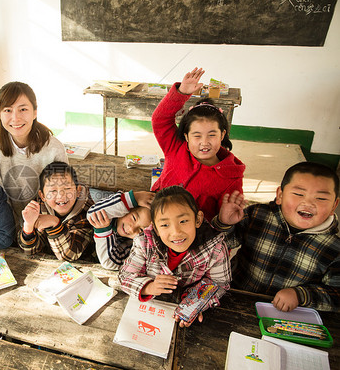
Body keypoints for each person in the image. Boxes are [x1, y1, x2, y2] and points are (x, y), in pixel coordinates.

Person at [215, 162, 340, 312]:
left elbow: (336, 295)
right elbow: (219, 246)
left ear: (334, 205)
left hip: (287, 317)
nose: (308, 203)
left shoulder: (334, 248)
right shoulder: (257, 215)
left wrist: (301, 295)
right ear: (280, 195)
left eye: (321, 198)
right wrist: (224, 224)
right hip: (235, 297)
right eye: (299, 194)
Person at [119, 186, 231, 327]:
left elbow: (220, 282)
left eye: (183, 221)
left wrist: (196, 302)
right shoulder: (144, 242)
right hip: (153, 309)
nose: (176, 232)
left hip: (182, 311)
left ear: (198, 219)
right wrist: (150, 287)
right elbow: (125, 276)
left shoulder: (215, 248)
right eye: (165, 224)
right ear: (156, 228)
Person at [151, 67, 245, 221]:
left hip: (190, 237)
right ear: (186, 136)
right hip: (155, 217)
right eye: (197, 135)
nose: (204, 142)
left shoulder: (231, 176)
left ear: (222, 135)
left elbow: (223, 218)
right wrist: (181, 93)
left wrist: (224, 221)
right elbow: (159, 120)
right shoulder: (175, 147)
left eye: (212, 134)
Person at [0, 81, 68, 223]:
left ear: (35, 112)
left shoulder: (55, 148)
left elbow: (62, 193)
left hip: (44, 223)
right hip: (8, 222)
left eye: (23, 109)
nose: (15, 118)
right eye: (7, 110)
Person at [19, 162, 94, 262]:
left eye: (67, 188)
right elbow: (30, 250)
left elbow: (69, 256)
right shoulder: (39, 207)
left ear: (78, 191)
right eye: (53, 190)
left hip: (82, 266)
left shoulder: (88, 214)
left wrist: (54, 223)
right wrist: (28, 226)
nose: (60, 196)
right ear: (43, 196)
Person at [87, 190, 154, 270]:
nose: (131, 229)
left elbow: (109, 263)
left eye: (141, 230)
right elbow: (93, 215)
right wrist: (133, 199)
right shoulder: (115, 206)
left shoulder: (135, 244)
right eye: (134, 218)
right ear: (129, 208)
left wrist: (103, 230)